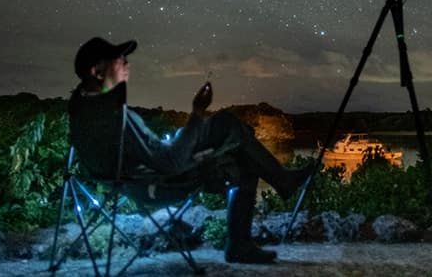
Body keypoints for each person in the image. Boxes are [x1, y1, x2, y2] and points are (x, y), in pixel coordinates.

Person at [70, 37, 312, 264]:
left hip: (126, 180)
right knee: (230, 130)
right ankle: (260, 214)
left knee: (238, 145)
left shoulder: (81, 107)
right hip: (161, 184)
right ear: (97, 71)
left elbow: (150, 153)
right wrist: (197, 112)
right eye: (118, 58)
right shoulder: (117, 117)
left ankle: (276, 187)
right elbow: (172, 162)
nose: (125, 62)